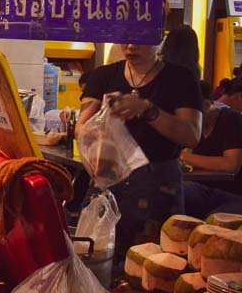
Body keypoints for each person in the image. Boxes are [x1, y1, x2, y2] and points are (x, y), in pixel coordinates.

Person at [79, 42, 202, 266]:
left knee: (157, 265)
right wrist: (104, 117)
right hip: (107, 182)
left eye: (140, 38)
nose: (131, 46)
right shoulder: (103, 76)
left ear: (157, 37)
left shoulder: (180, 78)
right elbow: (82, 128)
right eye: (125, 38)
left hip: (159, 185)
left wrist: (147, 110)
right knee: (95, 260)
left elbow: (191, 135)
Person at [182, 81, 242, 218]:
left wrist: (183, 156)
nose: (186, 118)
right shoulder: (192, 128)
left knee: (214, 219)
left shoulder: (232, 119)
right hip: (201, 190)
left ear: (206, 106)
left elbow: (230, 165)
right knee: (169, 197)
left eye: (190, 113)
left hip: (233, 195)